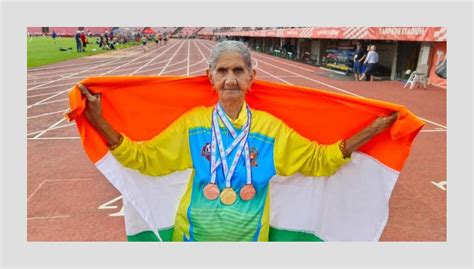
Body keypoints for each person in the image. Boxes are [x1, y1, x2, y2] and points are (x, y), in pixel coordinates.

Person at [77, 41, 397, 242]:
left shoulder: (270, 129)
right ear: (211, 77)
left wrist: (371, 130)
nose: (230, 78)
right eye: (223, 70)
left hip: (251, 239)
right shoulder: (193, 124)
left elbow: (320, 161)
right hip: (190, 238)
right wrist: (98, 120)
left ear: (250, 77)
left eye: (238, 70)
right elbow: (143, 159)